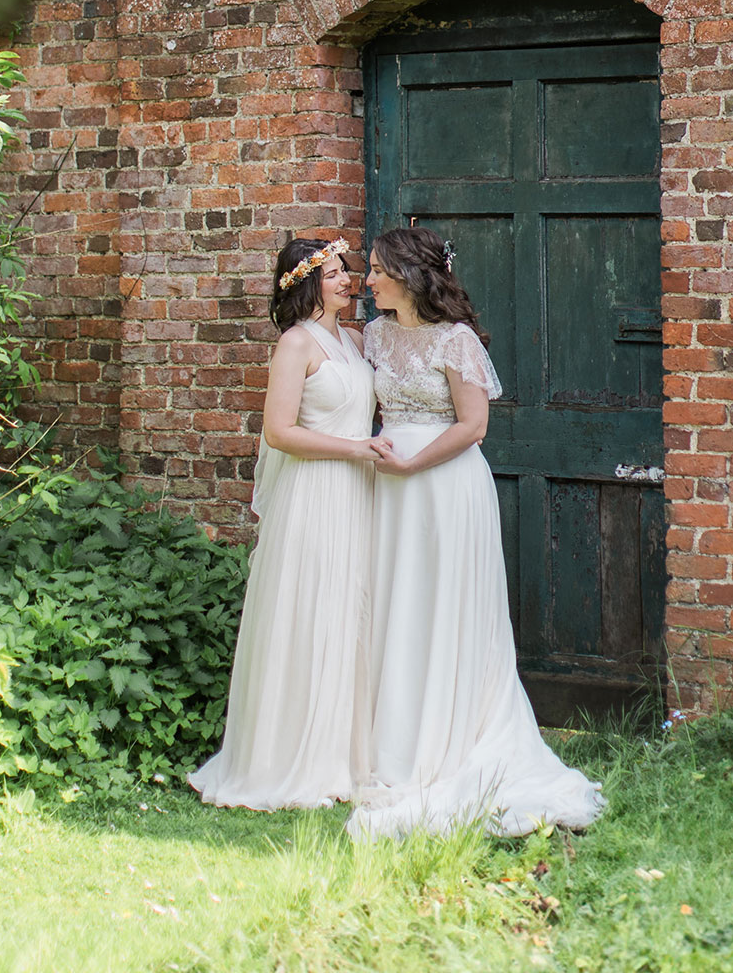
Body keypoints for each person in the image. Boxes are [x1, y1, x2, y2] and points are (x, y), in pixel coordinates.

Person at [347, 225, 606, 841]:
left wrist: (412, 462)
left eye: (378, 269)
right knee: (395, 604)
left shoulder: (456, 341)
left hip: (444, 486)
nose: (368, 279)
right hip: (388, 486)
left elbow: (473, 425)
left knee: (446, 606)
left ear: (408, 275)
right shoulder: (374, 336)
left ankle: (452, 737)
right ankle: (393, 741)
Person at [188, 236, 389, 810]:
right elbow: (280, 432)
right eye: (334, 274)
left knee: (353, 609)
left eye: (347, 271)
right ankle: (290, 755)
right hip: (315, 491)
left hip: (359, 491)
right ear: (305, 284)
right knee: (311, 606)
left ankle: (351, 753)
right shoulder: (295, 344)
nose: (348, 280)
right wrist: (354, 450)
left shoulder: (352, 340)